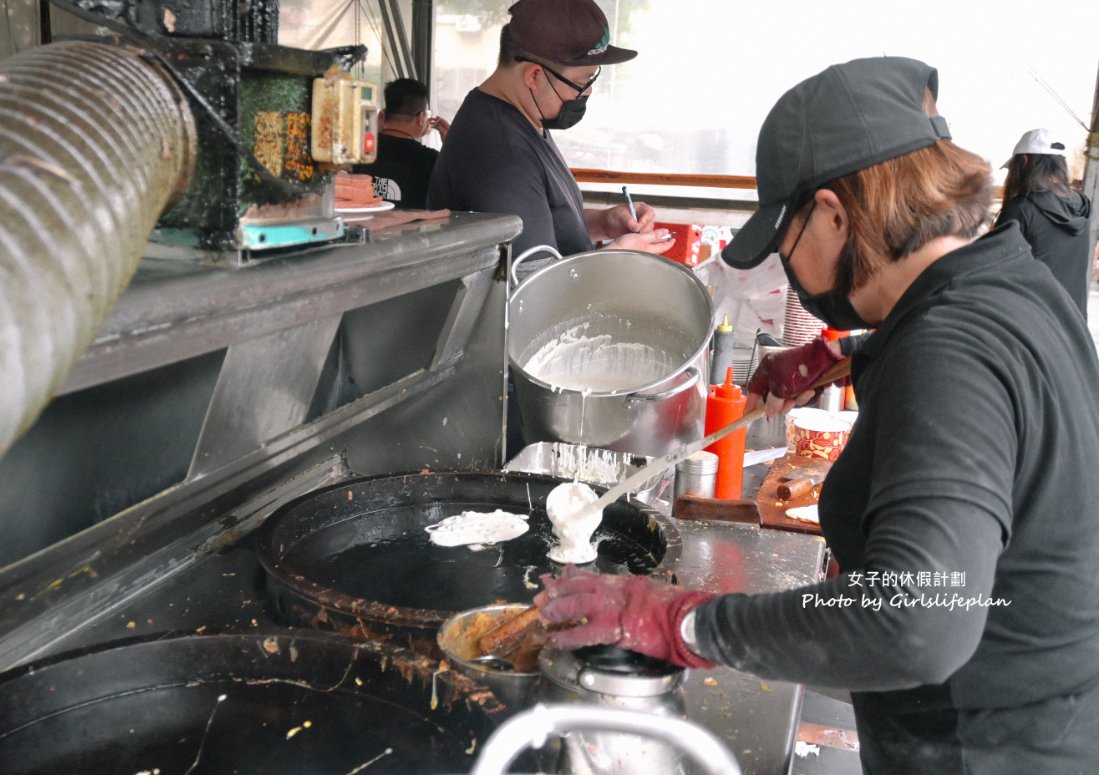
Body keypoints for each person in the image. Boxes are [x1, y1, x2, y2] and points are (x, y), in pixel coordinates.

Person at [535, 57, 1099, 774]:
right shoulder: (1016, 279)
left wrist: (679, 619)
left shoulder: (947, 350)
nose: (790, 270)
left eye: (786, 243)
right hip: (1052, 723)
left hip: (977, 745)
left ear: (834, 212)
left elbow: (916, 618)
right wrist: (843, 354)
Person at [426, 0, 673, 280]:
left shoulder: (517, 116)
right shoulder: (503, 156)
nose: (588, 92)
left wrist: (603, 223)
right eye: (582, 81)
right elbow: (534, 288)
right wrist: (616, 258)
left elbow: (542, 225)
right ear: (534, 76)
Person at [994, 127, 1092, 318]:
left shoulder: (1021, 209)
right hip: (1073, 329)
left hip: (1032, 327)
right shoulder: (1083, 206)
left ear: (1024, 161)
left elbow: (993, 272)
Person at [352, 78, 449, 210]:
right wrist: (449, 150)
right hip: (412, 230)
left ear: (383, 115)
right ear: (421, 118)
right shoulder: (431, 161)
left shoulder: (357, 152)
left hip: (360, 228)